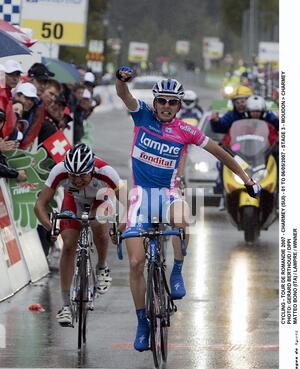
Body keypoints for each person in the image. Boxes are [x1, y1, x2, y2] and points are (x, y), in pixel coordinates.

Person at [115, 66, 261, 352]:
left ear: (179, 106)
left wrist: (246, 179)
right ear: (155, 102)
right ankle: (143, 322)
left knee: (182, 218)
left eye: (173, 102)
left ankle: (178, 270)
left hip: (168, 192)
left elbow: (222, 153)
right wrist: (121, 80)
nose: (167, 106)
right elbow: (124, 94)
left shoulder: (186, 130)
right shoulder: (141, 115)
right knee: (135, 263)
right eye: (162, 101)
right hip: (140, 195)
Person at [34, 143, 124, 326]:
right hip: (73, 201)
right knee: (68, 245)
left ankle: (102, 267)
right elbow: (40, 205)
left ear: (92, 169)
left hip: (100, 199)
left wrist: (121, 227)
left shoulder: (106, 171)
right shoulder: (59, 171)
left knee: (98, 224)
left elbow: (129, 202)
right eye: (72, 175)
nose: (76, 180)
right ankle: (66, 305)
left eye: (82, 175)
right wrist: (50, 227)